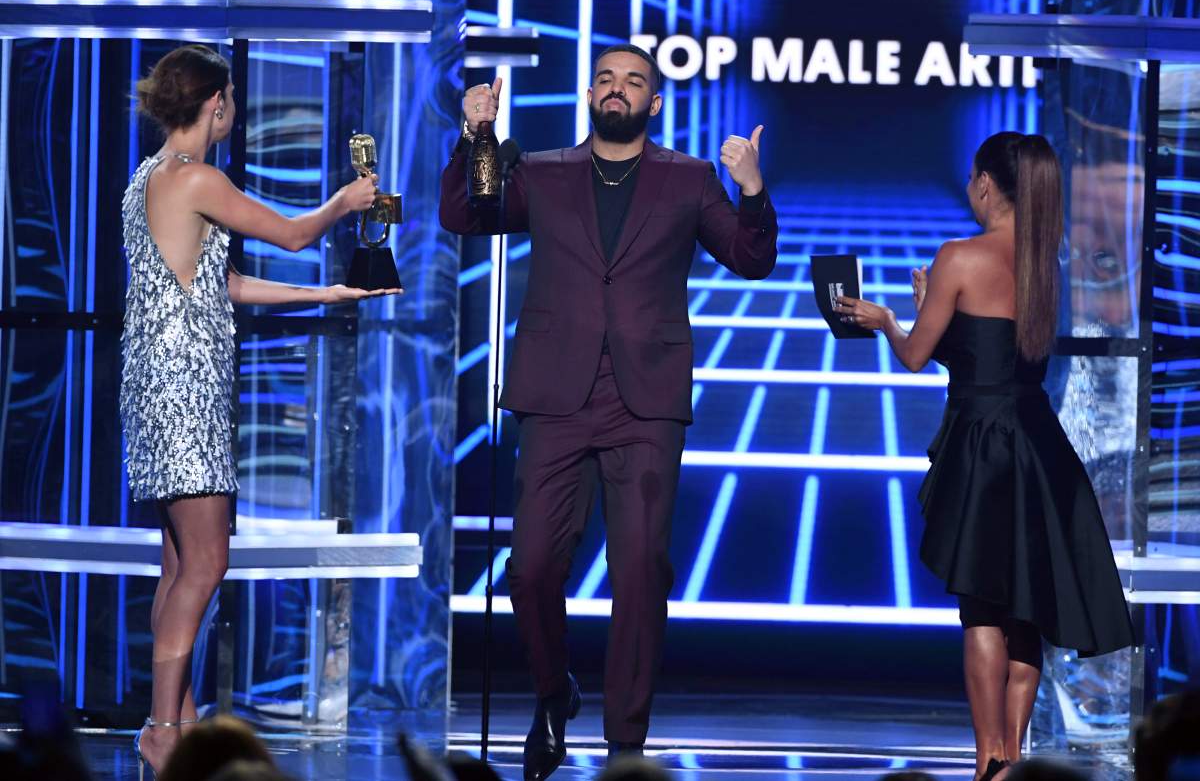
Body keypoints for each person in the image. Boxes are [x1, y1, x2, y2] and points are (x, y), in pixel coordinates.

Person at [440, 44, 777, 779]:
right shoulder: (544, 172)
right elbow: (466, 214)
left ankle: (627, 742)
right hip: (555, 393)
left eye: (633, 82)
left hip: (645, 400)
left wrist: (751, 190)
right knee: (530, 568)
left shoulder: (688, 178)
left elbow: (750, 259)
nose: (617, 89)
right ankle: (552, 690)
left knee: (640, 570)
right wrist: (477, 136)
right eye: (605, 79)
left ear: (654, 103)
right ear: (588, 95)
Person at [123, 44, 397, 778]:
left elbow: (226, 283)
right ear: (217, 102)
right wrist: (345, 203)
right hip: (184, 389)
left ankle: (177, 721)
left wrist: (326, 294)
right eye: (233, 100)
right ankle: (161, 727)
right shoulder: (197, 177)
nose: (235, 112)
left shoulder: (149, 177)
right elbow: (294, 234)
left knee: (180, 564)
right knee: (207, 561)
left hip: (160, 385)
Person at [834, 132, 1134, 781]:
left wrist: (890, 321)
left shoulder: (959, 256)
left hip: (983, 447)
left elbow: (917, 357)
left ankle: (987, 761)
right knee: (1025, 609)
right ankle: (1013, 758)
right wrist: (936, 315)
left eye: (973, 179)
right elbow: (993, 358)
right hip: (1040, 445)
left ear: (986, 186)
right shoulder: (1045, 264)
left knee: (981, 611)